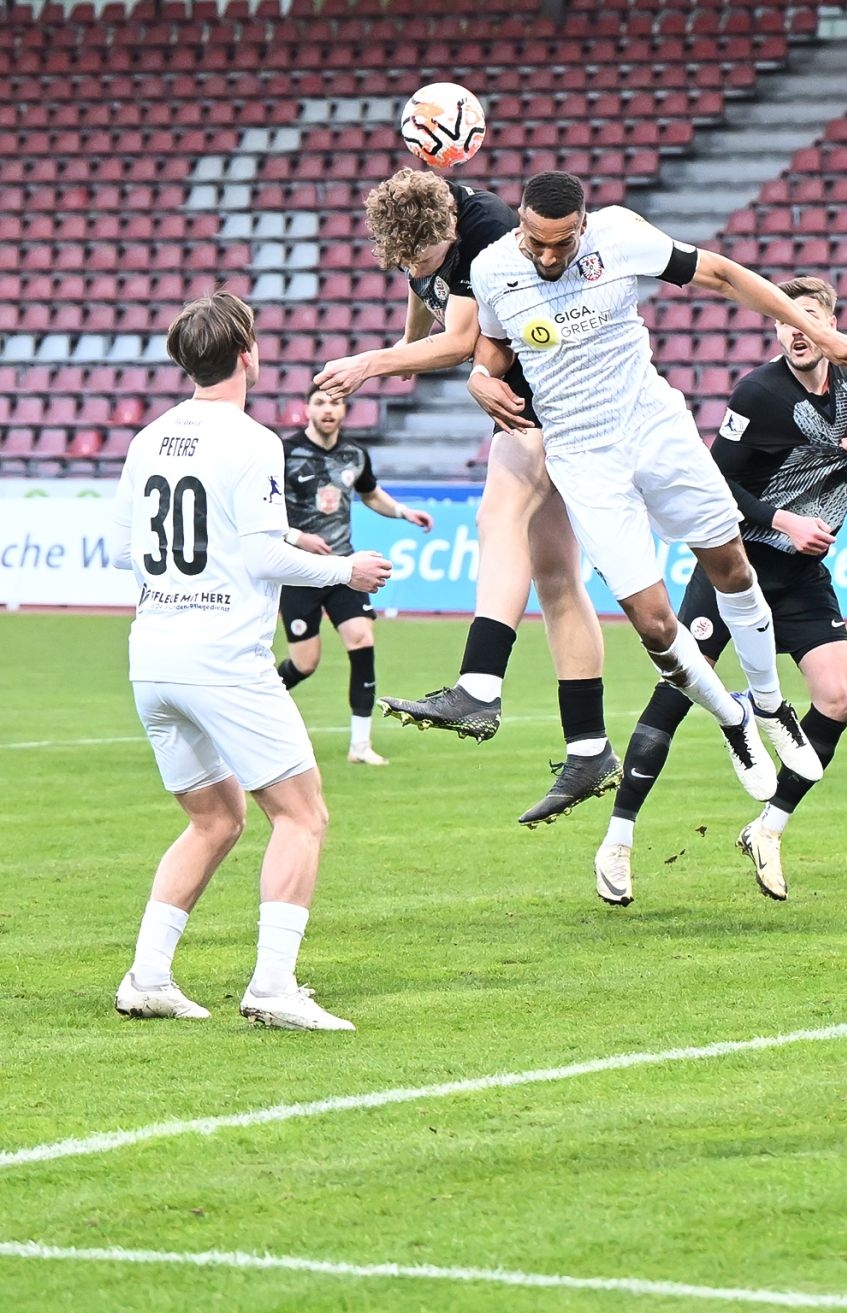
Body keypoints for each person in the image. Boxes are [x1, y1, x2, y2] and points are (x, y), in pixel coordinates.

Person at [459, 171, 847, 805]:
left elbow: (723, 275)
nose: (548, 257)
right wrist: (478, 378)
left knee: (733, 570)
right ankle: (735, 719)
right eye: (536, 242)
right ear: (520, 223)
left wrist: (815, 330)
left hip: (654, 428)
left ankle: (770, 706)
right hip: (581, 456)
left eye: (563, 244)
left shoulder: (621, 235)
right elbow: (493, 349)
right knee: (655, 627)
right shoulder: (493, 269)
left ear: (584, 225)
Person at [594, 276, 847, 906]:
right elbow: (714, 485)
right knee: (677, 690)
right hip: (734, 565)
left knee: (836, 699)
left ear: (830, 324)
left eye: (808, 317)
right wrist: (784, 520)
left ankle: (768, 826)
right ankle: (617, 842)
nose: (794, 329)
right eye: (785, 318)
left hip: (802, 577)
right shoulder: (757, 393)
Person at [109, 291, 392, 1030]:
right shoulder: (254, 439)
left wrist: (283, 543)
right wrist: (345, 571)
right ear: (248, 355)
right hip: (223, 659)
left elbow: (124, 547)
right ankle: (272, 985)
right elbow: (259, 550)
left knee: (215, 819)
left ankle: (147, 975)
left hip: (153, 655)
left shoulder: (148, 438)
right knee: (302, 815)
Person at [312, 169, 615, 825]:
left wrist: (370, 363)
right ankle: (589, 746)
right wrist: (399, 346)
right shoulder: (420, 233)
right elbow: (424, 303)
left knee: (496, 512)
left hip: (561, 390)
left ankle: (479, 686)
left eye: (424, 258)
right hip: (538, 391)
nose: (416, 269)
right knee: (558, 575)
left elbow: (456, 341)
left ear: (447, 228)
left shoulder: (488, 234)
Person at [275, 384, 433, 766]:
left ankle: (360, 746)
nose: (328, 409)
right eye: (320, 402)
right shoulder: (284, 453)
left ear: (345, 410)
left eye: (335, 402)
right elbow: (261, 508)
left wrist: (402, 512)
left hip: (345, 569)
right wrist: (298, 537)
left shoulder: (354, 454)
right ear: (307, 408)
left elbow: (371, 492)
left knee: (362, 639)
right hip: (299, 569)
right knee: (304, 663)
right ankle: (241, 708)